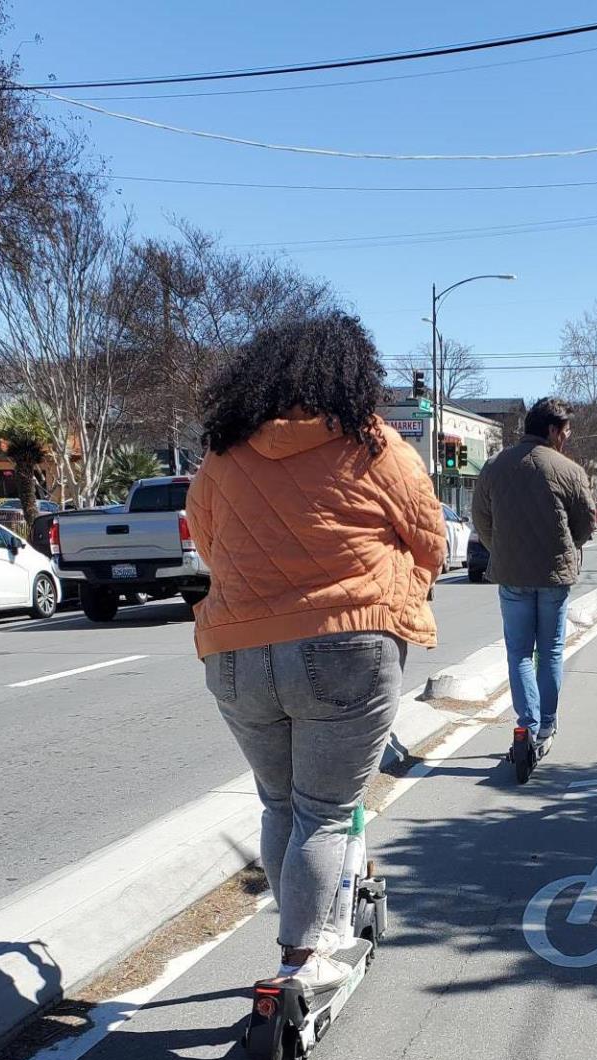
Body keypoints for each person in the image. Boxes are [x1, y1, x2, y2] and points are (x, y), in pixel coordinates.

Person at [187, 312, 445, 991]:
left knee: (281, 806)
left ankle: (307, 933)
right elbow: (431, 543)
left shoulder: (222, 454)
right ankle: (302, 962)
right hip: (346, 646)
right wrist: (397, 597)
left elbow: (210, 548)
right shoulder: (377, 446)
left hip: (237, 653)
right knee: (325, 811)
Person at [470, 396, 597, 756]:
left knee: (520, 653)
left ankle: (527, 723)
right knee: (551, 650)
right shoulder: (569, 471)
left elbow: (481, 518)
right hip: (554, 576)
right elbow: (586, 524)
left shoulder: (494, 466)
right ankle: (547, 723)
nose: (568, 437)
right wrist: (567, 546)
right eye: (567, 430)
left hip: (511, 575)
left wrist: (501, 549)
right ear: (554, 431)